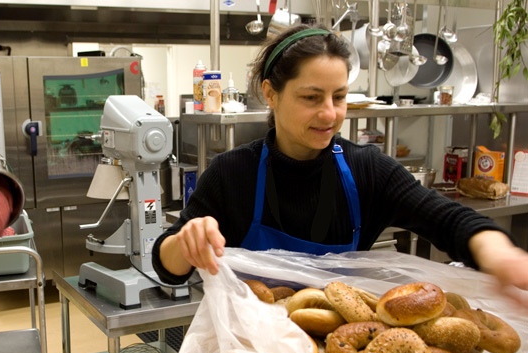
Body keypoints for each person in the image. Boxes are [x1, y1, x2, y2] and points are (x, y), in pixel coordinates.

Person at [152, 24, 528, 308]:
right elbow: (168, 267)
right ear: (271, 93)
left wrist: (503, 256)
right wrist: (185, 242)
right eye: (311, 97)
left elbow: (450, 220)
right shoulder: (233, 173)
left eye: (340, 96)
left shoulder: (367, 171)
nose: (329, 114)